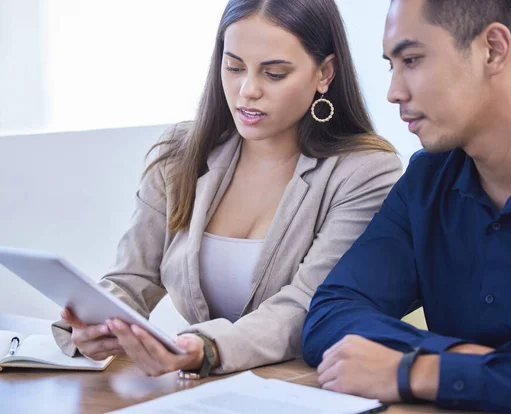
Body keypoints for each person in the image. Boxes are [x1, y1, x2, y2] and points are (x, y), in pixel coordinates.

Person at [52, 0, 402, 378]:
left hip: (305, 389)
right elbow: (132, 277)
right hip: (201, 392)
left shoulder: (364, 172)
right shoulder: (181, 152)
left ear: (324, 73)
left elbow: (308, 305)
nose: (247, 90)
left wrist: (206, 348)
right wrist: (97, 324)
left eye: (274, 74)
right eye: (234, 67)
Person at [302, 0, 511, 412]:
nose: (394, 92)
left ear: (493, 49)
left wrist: (421, 371)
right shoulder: (427, 179)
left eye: (412, 59)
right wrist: (491, 369)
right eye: (392, 65)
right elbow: (331, 314)